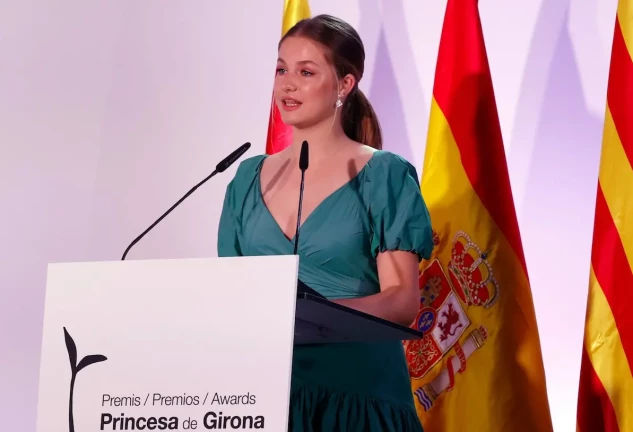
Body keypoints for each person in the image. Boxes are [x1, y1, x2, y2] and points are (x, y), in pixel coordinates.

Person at [218, 14, 433, 432]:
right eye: (281, 69)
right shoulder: (244, 178)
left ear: (345, 85)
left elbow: (403, 301)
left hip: (357, 397)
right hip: (264, 401)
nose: (287, 84)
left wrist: (309, 318)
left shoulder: (383, 174)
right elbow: (231, 298)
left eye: (306, 72)